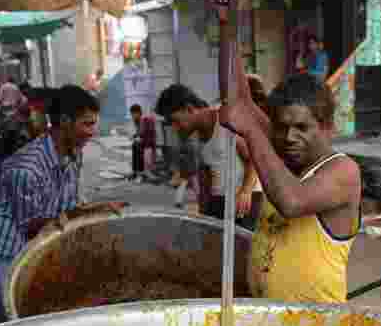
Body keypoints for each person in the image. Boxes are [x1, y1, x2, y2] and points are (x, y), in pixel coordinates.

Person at [219, 29, 362, 302]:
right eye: (282, 127)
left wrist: (251, 130)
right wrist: (229, 29)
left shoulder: (343, 171)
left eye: (302, 127)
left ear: (327, 127)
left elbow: (292, 201)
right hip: (269, 321)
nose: (289, 137)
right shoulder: (279, 151)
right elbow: (238, 100)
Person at [0, 85, 113, 318]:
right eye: (87, 124)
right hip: (7, 257)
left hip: (38, 250)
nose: (93, 132)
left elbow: (67, 208)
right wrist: (86, 217)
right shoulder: (26, 169)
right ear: (64, 121)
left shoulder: (73, 153)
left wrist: (95, 211)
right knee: (19, 325)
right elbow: (34, 227)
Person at [155, 83, 258, 227]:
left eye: (175, 121)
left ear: (189, 109)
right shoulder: (194, 135)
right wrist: (204, 211)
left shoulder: (226, 120)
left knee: (243, 248)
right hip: (219, 201)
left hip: (244, 201)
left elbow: (254, 159)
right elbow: (206, 175)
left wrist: (245, 192)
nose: (175, 128)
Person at [0, 75, 30, 180]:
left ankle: (0, 135)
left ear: (7, 80)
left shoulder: (3, 87)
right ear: (13, 81)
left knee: (0, 129)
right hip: (14, 111)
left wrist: (2, 104)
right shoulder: (16, 88)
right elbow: (21, 100)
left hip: (5, 112)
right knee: (22, 127)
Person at [129, 104, 157, 181]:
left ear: (138, 113)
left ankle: (140, 172)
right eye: (131, 114)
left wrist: (138, 137)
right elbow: (139, 133)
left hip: (149, 143)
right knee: (135, 145)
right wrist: (135, 136)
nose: (132, 116)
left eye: (133, 114)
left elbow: (144, 133)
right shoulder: (137, 121)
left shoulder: (144, 119)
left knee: (137, 145)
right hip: (144, 141)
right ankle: (135, 171)